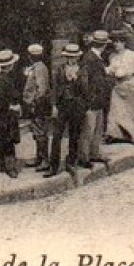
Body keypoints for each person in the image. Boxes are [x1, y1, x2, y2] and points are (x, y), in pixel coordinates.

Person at [47, 43, 90, 176]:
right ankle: (53, 166)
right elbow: (54, 89)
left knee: (74, 134)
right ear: (66, 57)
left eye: (74, 57)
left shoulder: (82, 70)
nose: (72, 59)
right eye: (69, 57)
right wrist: (54, 106)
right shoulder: (59, 70)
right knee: (57, 135)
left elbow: (85, 90)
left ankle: (71, 162)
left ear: (78, 57)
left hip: (76, 106)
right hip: (62, 106)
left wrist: (77, 79)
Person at [0, 50, 24, 178]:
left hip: (3, 114)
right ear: (10, 65)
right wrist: (14, 107)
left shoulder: (4, 78)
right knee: (7, 140)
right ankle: (10, 168)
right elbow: (2, 100)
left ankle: (4, 165)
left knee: (4, 139)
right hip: (5, 115)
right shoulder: (2, 80)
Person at [81, 30, 113, 165]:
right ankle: (84, 157)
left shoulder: (96, 57)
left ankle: (94, 153)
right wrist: (89, 98)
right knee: (89, 130)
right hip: (92, 100)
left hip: (98, 100)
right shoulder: (90, 58)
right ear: (104, 45)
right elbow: (85, 81)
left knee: (97, 129)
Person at [21, 44, 52, 171]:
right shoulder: (37, 67)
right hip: (35, 104)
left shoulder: (39, 69)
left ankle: (44, 160)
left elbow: (42, 89)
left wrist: (35, 104)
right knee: (37, 131)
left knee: (40, 132)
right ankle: (39, 158)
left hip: (38, 105)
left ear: (31, 56)